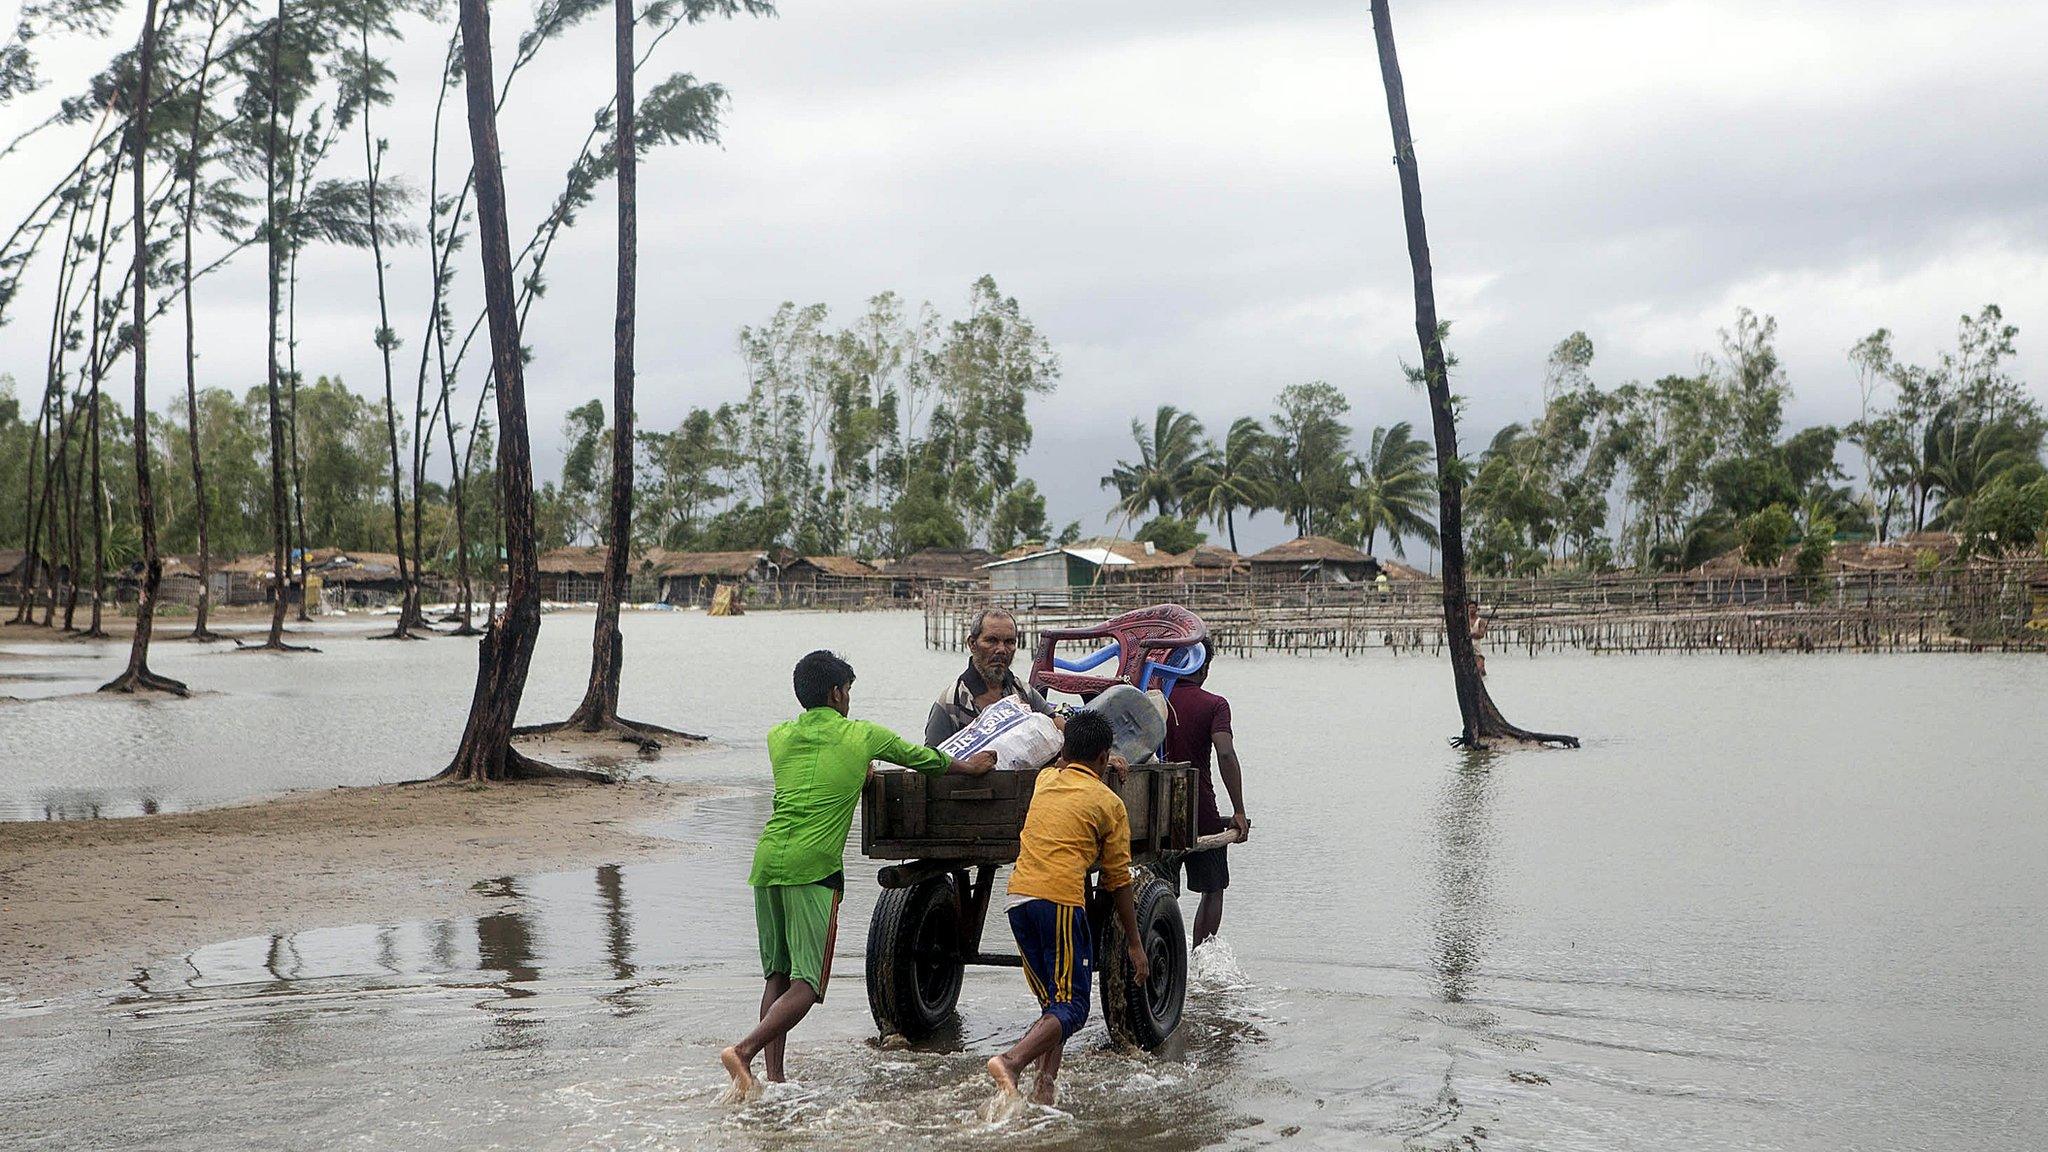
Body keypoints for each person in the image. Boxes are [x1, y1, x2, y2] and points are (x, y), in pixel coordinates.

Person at [721, 650, 996, 1100]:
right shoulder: (861, 735)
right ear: (836, 693)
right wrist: (973, 766)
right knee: (807, 985)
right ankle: (744, 1051)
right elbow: (925, 759)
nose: (849, 700)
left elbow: (816, 778)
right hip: (813, 868)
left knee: (777, 975)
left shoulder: (779, 737)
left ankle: (773, 1079)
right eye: (847, 691)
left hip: (768, 863)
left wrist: (857, 774)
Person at [987, 711, 1149, 1107]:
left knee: (1054, 1004)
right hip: (1057, 900)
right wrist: (1134, 942)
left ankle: (1045, 1089)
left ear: (1065, 752)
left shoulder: (1045, 780)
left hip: (1017, 900)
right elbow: (1118, 881)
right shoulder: (1108, 802)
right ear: (1103, 757)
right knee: (1074, 1007)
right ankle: (1011, 1062)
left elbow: (1063, 761)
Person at [1164, 640, 1250, 948]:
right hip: (1200, 811)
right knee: (1213, 889)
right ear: (1204, 668)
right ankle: (1201, 955)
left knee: (1160, 890)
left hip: (1156, 813)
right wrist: (1238, 810)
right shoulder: (1214, 704)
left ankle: (1163, 947)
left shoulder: (1153, 700)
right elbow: (1225, 754)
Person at [926, 607, 1058, 746]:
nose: (1001, 650)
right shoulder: (951, 703)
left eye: (1009, 642)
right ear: (972, 644)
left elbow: (1056, 724)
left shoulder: (1023, 692)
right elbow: (932, 760)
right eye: (991, 641)